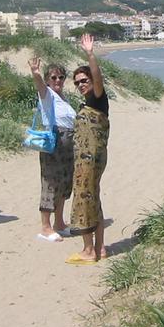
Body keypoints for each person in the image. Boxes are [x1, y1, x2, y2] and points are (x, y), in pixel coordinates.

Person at [66, 33, 110, 265]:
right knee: (94, 198)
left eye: (84, 80)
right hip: (95, 159)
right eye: (77, 82)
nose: (81, 84)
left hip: (89, 160)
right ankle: (100, 248)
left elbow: (97, 76)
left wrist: (90, 54)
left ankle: (87, 250)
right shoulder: (89, 103)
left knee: (83, 198)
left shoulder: (98, 98)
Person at [28, 58, 76, 242]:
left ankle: (59, 223)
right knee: (50, 182)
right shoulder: (46, 93)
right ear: (48, 79)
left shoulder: (63, 97)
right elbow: (39, 85)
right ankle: (46, 227)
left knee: (64, 182)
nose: (58, 81)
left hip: (68, 142)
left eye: (61, 77)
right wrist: (36, 73)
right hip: (55, 141)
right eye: (54, 77)